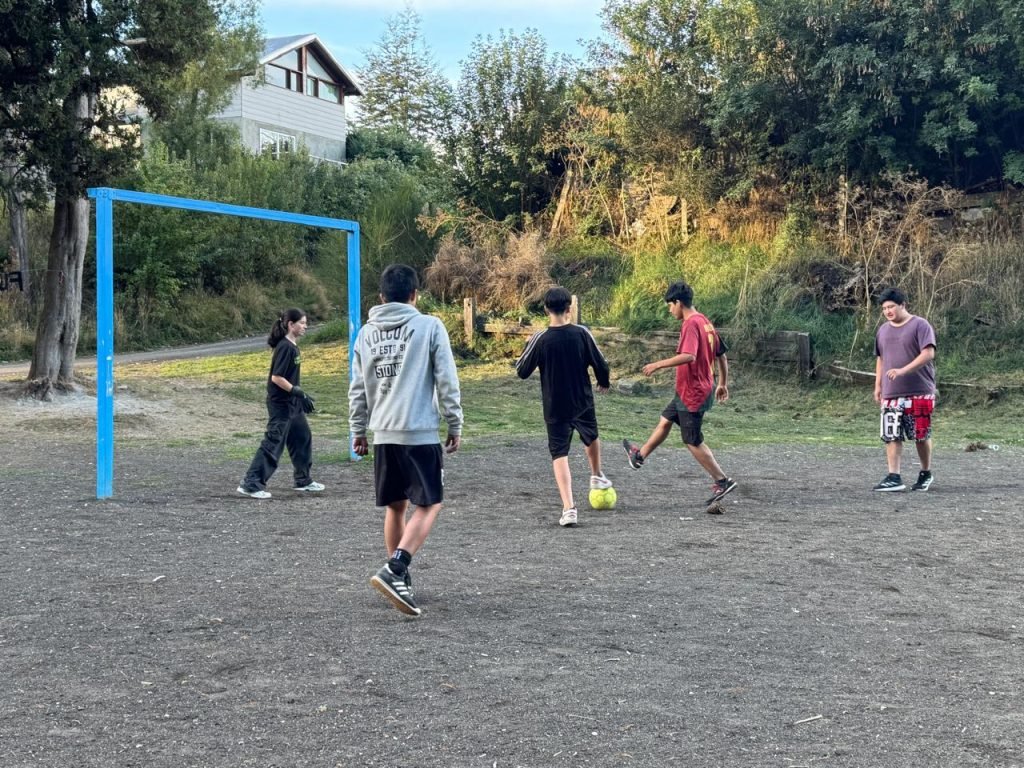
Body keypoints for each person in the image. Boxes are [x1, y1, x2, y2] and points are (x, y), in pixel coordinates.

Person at [349, 264, 463, 617]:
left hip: (384, 435)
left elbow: (358, 387)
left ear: (381, 297)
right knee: (430, 504)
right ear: (416, 294)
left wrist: (358, 429)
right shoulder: (429, 325)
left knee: (396, 506)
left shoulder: (366, 333)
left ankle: (399, 579)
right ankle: (396, 567)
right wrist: (454, 422)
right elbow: (446, 378)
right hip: (418, 433)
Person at [622, 280, 736, 506]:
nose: (669, 309)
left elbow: (689, 356)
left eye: (669, 305)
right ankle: (639, 457)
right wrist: (722, 383)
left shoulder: (691, 324)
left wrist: (658, 365)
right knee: (665, 420)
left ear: (678, 302)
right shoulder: (705, 322)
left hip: (694, 392)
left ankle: (722, 480)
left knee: (692, 440)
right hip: (689, 391)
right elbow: (721, 355)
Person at [515, 286, 613, 528]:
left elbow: (522, 371)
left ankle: (569, 508)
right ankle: (596, 475)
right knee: (591, 435)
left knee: (559, 453)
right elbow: (601, 362)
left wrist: (527, 349)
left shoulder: (541, 338)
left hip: (555, 405)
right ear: (570, 308)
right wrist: (604, 382)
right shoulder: (582, 333)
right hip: (582, 401)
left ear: (546, 309)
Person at [237, 308, 323, 499]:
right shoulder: (285, 347)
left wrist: (301, 397)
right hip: (281, 404)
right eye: (301, 322)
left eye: (305, 322)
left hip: (293, 405)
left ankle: (303, 480)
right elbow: (277, 377)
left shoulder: (293, 346)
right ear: (290, 325)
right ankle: (251, 483)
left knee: (302, 438)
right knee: (273, 442)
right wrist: (297, 391)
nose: (305, 326)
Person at [872, 288, 937, 492]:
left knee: (920, 434)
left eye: (891, 306)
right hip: (891, 393)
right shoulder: (882, 330)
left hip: (919, 390)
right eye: (884, 308)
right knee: (891, 434)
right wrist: (878, 385)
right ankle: (894, 476)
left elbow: (928, 354)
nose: (888, 311)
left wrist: (903, 370)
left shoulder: (920, 325)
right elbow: (880, 359)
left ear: (903, 305)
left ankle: (925, 473)